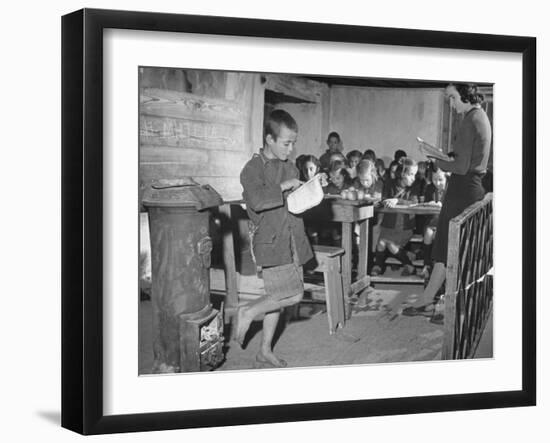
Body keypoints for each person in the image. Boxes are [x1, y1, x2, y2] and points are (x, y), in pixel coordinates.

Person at [402, 83, 492, 319]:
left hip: (462, 190)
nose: (451, 104)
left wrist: (435, 159)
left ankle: (450, 305)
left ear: (465, 94)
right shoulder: (480, 116)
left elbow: (460, 167)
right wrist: (445, 156)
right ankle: (430, 299)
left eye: (452, 98)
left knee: (449, 250)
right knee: (446, 249)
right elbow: (464, 159)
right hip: (469, 188)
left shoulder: (470, 119)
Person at [238, 109, 313, 368]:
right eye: (286, 143)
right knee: (293, 295)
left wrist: (312, 187)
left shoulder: (289, 166)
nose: (291, 149)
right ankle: (247, 311)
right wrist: (283, 186)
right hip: (271, 242)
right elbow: (257, 201)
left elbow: (295, 200)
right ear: (269, 139)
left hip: (293, 238)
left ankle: (264, 350)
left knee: (277, 297)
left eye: (294, 143)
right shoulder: (252, 169)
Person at [372, 158, 419, 277]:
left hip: (405, 227)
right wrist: (382, 202)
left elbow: (414, 203)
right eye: (411, 174)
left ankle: (408, 265)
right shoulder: (389, 184)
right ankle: (378, 265)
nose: (414, 177)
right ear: (402, 174)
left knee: (388, 243)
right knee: (381, 243)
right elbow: (383, 200)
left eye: (415, 174)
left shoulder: (414, 187)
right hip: (389, 225)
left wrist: (397, 200)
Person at [419, 166, 447, 279]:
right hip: (432, 220)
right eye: (434, 179)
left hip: (445, 220)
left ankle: (438, 266)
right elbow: (424, 204)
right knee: (428, 233)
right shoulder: (430, 188)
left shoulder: (451, 188)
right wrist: (429, 203)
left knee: (438, 235)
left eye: (440, 179)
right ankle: (426, 264)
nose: (437, 183)